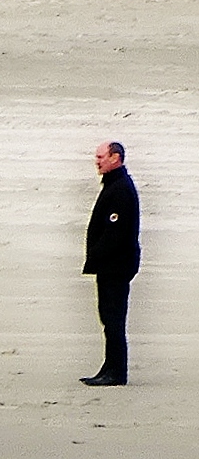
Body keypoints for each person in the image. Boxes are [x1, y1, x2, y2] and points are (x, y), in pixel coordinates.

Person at [81, 141, 140, 386]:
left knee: (114, 318)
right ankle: (110, 366)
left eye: (101, 157)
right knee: (108, 317)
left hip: (116, 265)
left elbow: (115, 232)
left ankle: (117, 372)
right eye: (96, 157)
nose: (97, 161)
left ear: (115, 158)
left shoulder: (121, 189)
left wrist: (95, 254)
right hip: (110, 265)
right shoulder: (114, 184)